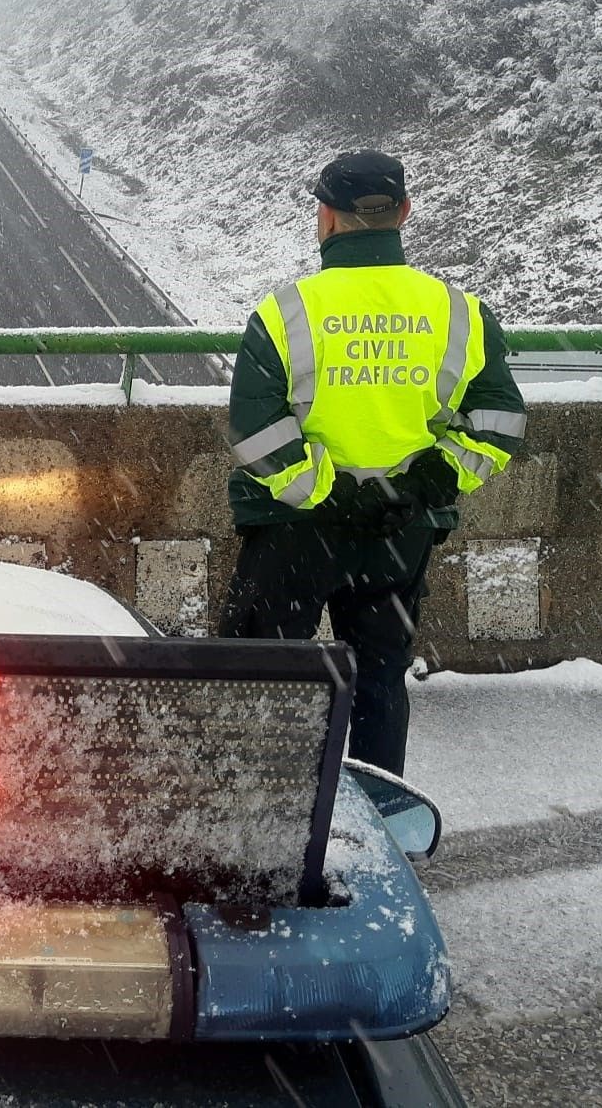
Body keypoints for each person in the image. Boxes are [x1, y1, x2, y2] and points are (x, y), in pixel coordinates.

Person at [218, 150, 526, 775]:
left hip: (294, 534)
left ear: (325, 218)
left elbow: (256, 430)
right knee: (380, 682)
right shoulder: (459, 312)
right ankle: (384, 820)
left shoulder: (285, 312)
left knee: (266, 679)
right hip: (400, 532)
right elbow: (498, 419)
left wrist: (330, 494)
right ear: (404, 213)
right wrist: (427, 481)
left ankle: (263, 820)